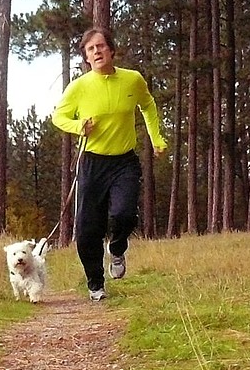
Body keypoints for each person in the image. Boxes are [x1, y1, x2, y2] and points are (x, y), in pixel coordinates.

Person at [51, 27, 168, 301]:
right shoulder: (79, 87)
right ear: (86, 58)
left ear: (112, 50)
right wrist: (79, 126)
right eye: (91, 49)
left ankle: (116, 249)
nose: (97, 52)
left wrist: (157, 138)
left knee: (124, 214)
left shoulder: (132, 80)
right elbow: (59, 117)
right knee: (87, 229)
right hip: (92, 163)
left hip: (124, 162)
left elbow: (148, 106)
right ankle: (95, 283)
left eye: (101, 46)